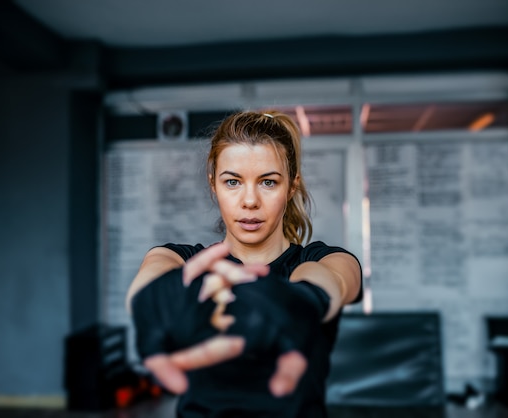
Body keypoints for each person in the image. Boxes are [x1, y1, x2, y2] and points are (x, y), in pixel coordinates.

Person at [126, 110, 362, 418]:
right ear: (214, 185)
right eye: (233, 181)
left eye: (268, 182)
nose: (249, 201)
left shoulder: (323, 260)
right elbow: (150, 279)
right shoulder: (182, 261)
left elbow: (332, 278)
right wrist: (160, 299)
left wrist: (298, 299)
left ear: (291, 186)